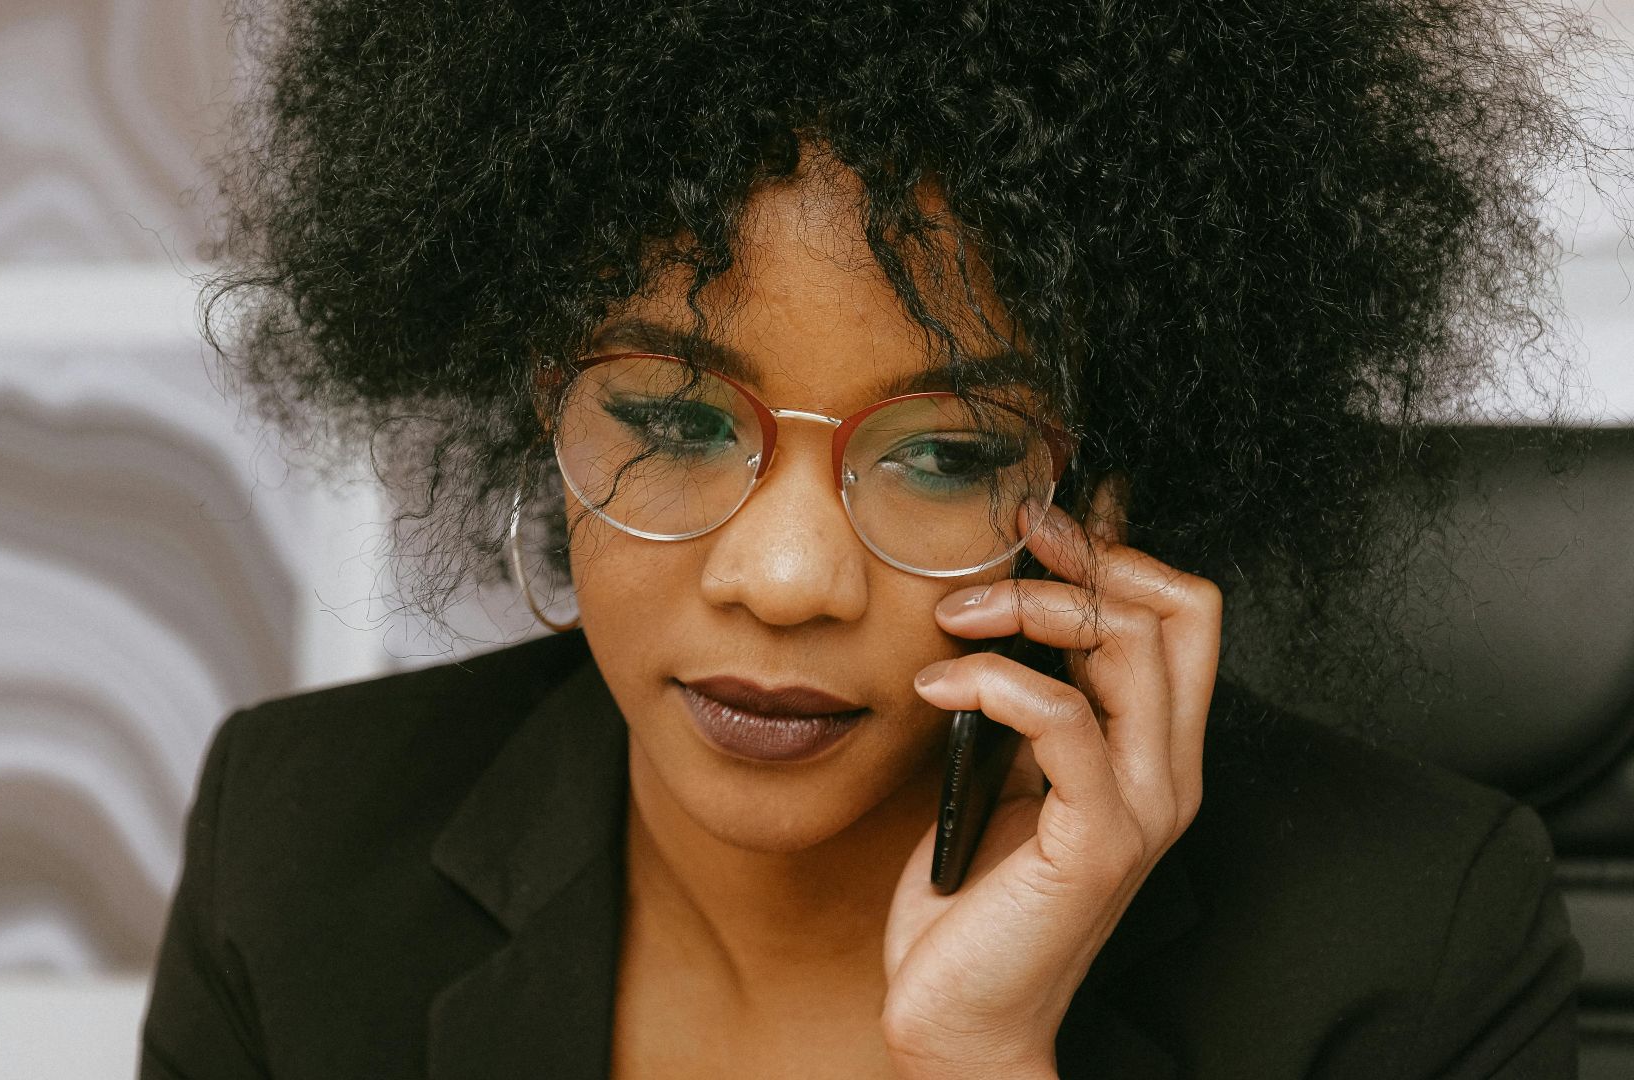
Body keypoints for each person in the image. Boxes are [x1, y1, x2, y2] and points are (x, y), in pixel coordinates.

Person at [142, 1, 1616, 1076]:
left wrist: (981, 1055)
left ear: (1102, 499)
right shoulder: (298, 848)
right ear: (548, 409)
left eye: (948, 454)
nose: (783, 581)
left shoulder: (1409, 944)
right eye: (671, 418)